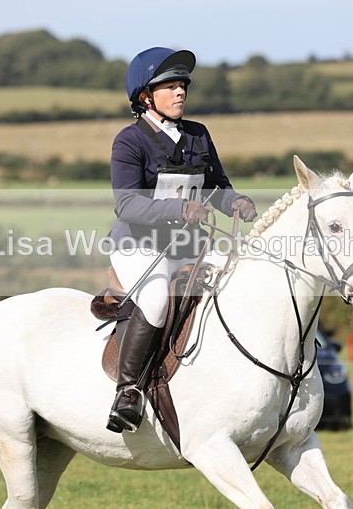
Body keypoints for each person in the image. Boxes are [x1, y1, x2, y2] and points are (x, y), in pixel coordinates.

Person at [105, 47, 258, 433]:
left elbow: (217, 187)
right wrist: (180, 208)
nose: (180, 92)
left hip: (188, 245)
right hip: (138, 246)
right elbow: (127, 204)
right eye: (170, 86)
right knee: (157, 299)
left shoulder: (198, 135)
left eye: (182, 86)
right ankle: (127, 393)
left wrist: (234, 201)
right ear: (145, 96)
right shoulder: (129, 141)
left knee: (241, 278)